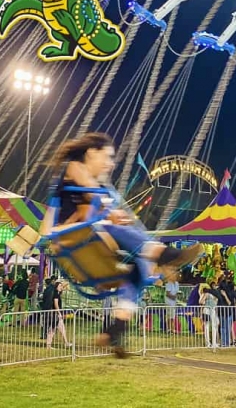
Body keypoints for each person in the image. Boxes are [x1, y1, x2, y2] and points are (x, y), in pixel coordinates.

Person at [50, 132, 203, 357]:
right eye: (108, 157)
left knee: (139, 271)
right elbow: (89, 195)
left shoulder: (91, 186)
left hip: (88, 240)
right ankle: (166, 254)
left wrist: (110, 212)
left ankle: (115, 330)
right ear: (91, 153)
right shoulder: (74, 167)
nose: (111, 164)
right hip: (73, 236)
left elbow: (89, 206)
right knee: (123, 231)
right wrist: (109, 210)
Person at [43, 279, 72, 349]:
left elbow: (64, 286)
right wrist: (59, 313)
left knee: (61, 329)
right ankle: (48, 345)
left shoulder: (58, 292)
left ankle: (66, 343)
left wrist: (68, 281)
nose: (61, 287)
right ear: (56, 287)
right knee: (52, 330)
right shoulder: (56, 294)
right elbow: (56, 304)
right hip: (55, 314)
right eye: (59, 286)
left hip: (56, 314)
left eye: (61, 286)